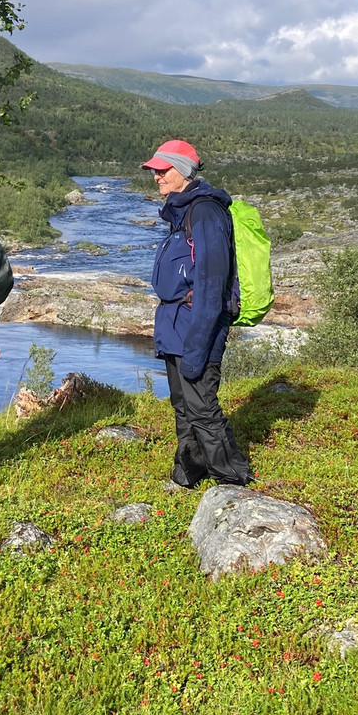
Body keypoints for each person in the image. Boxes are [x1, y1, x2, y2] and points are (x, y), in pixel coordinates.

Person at [144, 139, 252, 489]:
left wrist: (197, 344)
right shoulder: (182, 212)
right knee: (183, 404)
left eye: (163, 170)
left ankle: (232, 478)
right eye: (154, 171)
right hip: (176, 323)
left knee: (202, 406)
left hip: (197, 324)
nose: (156, 176)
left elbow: (211, 283)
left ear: (182, 171)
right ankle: (188, 472)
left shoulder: (205, 212)